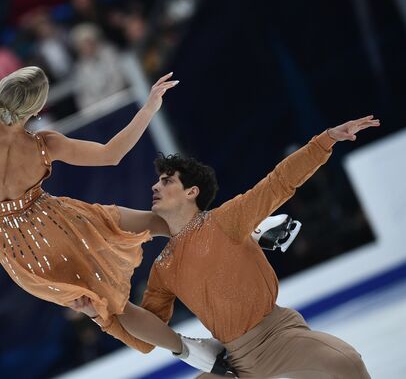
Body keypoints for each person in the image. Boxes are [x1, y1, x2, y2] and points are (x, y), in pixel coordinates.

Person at [0, 0, 300, 372]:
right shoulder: (45, 145)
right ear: (36, 111)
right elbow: (111, 154)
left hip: (26, 258)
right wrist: (148, 108)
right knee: (163, 224)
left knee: (113, 309)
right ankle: (255, 230)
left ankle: (193, 352)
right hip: (62, 225)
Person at [70, 116, 379, 378]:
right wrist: (100, 314)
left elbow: (279, 182)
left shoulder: (225, 220)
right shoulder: (163, 267)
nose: (154, 186)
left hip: (278, 337)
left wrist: (325, 141)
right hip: (233, 363)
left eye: (166, 181)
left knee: (345, 363)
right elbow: (148, 337)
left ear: (192, 192)